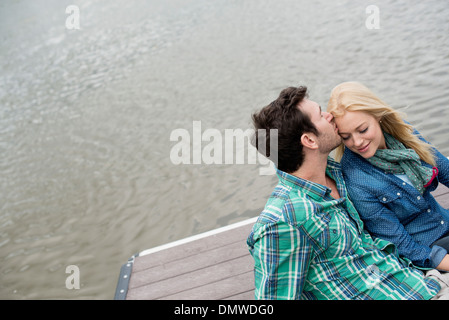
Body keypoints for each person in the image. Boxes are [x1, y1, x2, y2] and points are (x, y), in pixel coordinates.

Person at [246, 85, 440, 300]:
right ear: (309, 140)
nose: (330, 116)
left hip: (419, 283)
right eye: (321, 114)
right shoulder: (284, 221)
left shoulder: (334, 176)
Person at [327, 81, 449, 272]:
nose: (357, 142)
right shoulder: (357, 180)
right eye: (346, 136)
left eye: (363, 130)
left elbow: (445, 170)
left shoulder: (404, 133)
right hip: (426, 253)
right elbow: (401, 245)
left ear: (378, 117)